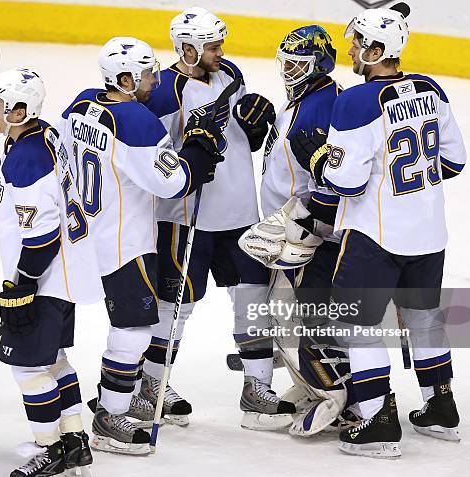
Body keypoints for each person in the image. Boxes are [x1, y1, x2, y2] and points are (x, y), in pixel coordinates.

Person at [290, 2, 466, 458]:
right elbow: (454, 160)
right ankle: (440, 407)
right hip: (429, 234)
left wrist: (317, 158)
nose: (350, 48)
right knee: (424, 318)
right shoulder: (430, 88)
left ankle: (376, 419)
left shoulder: (354, 101)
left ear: (375, 49)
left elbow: (346, 181)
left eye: (356, 42)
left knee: (358, 323)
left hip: (375, 236)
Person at [57, 36, 225, 455]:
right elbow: (172, 182)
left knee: (56, 327)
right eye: (148, 74)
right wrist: (199, 148)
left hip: (72, 237)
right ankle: (112, 413)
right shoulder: (137, 122)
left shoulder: (79, 104)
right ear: (127, 79)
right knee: (132, 331)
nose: (155, 79)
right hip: (121, 242)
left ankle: (57, 405)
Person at [142, 6, 293, 431]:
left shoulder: (230, 74)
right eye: (211, 45)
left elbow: (242, 137)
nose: (219, 50)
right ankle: (152, 385)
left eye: (219, 43)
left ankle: (257, 388)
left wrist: (257, 124)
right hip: (186, 218)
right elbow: (152, 160)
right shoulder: (163, 93)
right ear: (186, 49)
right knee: (175, 306)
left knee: (252, 299)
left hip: (241, 215)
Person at [0, 68, 104, 476]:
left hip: (44, 276)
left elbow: (41, 233)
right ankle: (75, 440)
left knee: (26, 367)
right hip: (66, 273)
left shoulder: (26, 156)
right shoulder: (39, 136)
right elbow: (20, 189)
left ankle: (51, 448)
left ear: (20, 110)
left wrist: (21, 284)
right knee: (53, 359)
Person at [240, 24, 360, 436]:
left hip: (310, 233)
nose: (289, 70)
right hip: (295, 225)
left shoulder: (318, 109)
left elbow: (332, 182)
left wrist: (306, 229)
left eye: (298, 63)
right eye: (286, 61)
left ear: (318, 64)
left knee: (294, 318)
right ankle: (312, 386)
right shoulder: (307, 99)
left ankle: (335, 397)